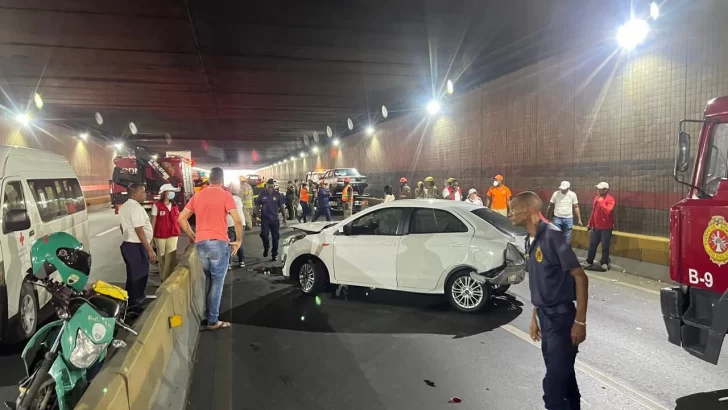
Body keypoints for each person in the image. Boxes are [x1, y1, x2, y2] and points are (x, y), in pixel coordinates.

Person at [509, 191, 588, 409]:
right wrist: (535, 316)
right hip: (546, 318)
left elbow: (580, 276)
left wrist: (580, 322)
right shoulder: (529, 240)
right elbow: (542, 281)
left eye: (513, 208)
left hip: (562, 320)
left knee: (553, 388)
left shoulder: (552, 235)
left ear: (530, 209)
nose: (510, 213)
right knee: (565, 380)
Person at [178, 167, 242, 331]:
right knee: (217, 282)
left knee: (209, 280)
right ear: (222, 180)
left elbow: (182, 219)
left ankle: (208, 315)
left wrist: (194, 237)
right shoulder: (226, 195)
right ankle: (213, 320)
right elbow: (237, 220)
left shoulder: (198, 196)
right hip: (218, 244)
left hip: (201, 244)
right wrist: (239, 240)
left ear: (209, 179)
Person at [119, 183, 156, 313]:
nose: (145, 194)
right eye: (142, 192)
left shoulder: (126, 206)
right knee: (139, 276)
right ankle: (135, 306)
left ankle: (130, 302)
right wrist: (150, 249)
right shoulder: (135, 208)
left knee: (133, 276)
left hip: (130, 245)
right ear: (134, 194)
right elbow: (139, 230)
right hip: (136, 246)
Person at [151, 183, 180, 281]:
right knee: (162, 257)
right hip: (160, 235)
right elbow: (154, 221)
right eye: (171, 191)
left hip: (173, 234)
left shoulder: (175, 205)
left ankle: (169, 278)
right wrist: (151, 237)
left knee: (171, 256)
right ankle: (163, 278)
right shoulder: (157, 205)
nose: (173, 193)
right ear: (166, 193)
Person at [585, 182, 616, 271]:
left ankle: (604, 262)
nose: (598, 190)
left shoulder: (610, 200)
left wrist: (602, 203)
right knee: (592, 245)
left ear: (606, 190)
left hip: (606, 228)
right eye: (598, 189)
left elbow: (608, 211)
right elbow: (593, 211)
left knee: (605, 246)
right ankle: (589, 261)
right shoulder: (596, 198)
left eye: (601, 189)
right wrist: (590, 223)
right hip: (595, 227)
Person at [255, 179, 287, 261]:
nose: (270, 189)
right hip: (265, 219)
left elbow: (282, 207)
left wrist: (284, 218)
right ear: (266, 186)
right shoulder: (262, 194)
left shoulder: (277, 195)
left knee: (275, 237)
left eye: (272, 187)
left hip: (274, 220)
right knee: (264, 235)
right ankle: (266, 247)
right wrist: (256, 216)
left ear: (274, 187)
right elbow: (258, 205)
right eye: (269, 187)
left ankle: (274, 254)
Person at [227, 183, 246, 269]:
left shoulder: (227, 198)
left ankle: (229, 263)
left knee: (230, 243)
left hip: (231, 223)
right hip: (241, 223)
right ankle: (241, 261)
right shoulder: (238, 199)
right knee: (239, 242)